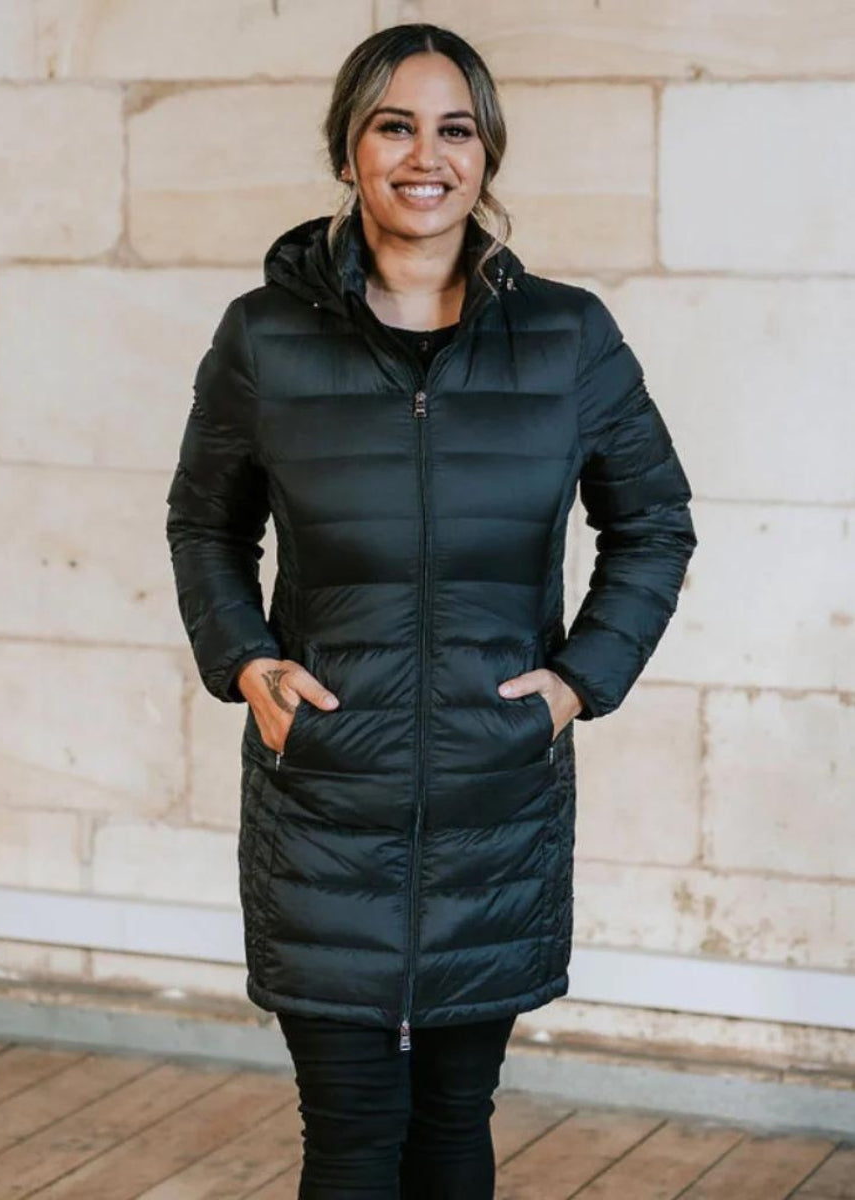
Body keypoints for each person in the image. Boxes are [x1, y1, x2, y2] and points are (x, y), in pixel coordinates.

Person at [165, 22, 697, 1199]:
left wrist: (577, 683)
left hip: (493, 803)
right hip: (326, 796)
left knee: (455, 1126)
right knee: (353, 1137)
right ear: (348, 151)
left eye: (455, 129)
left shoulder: (567, 337)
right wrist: (249, 663)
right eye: (394, 126)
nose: (426, 154)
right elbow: (205, 525)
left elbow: (655, 522)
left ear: (486, 153)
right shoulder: (264, 338)